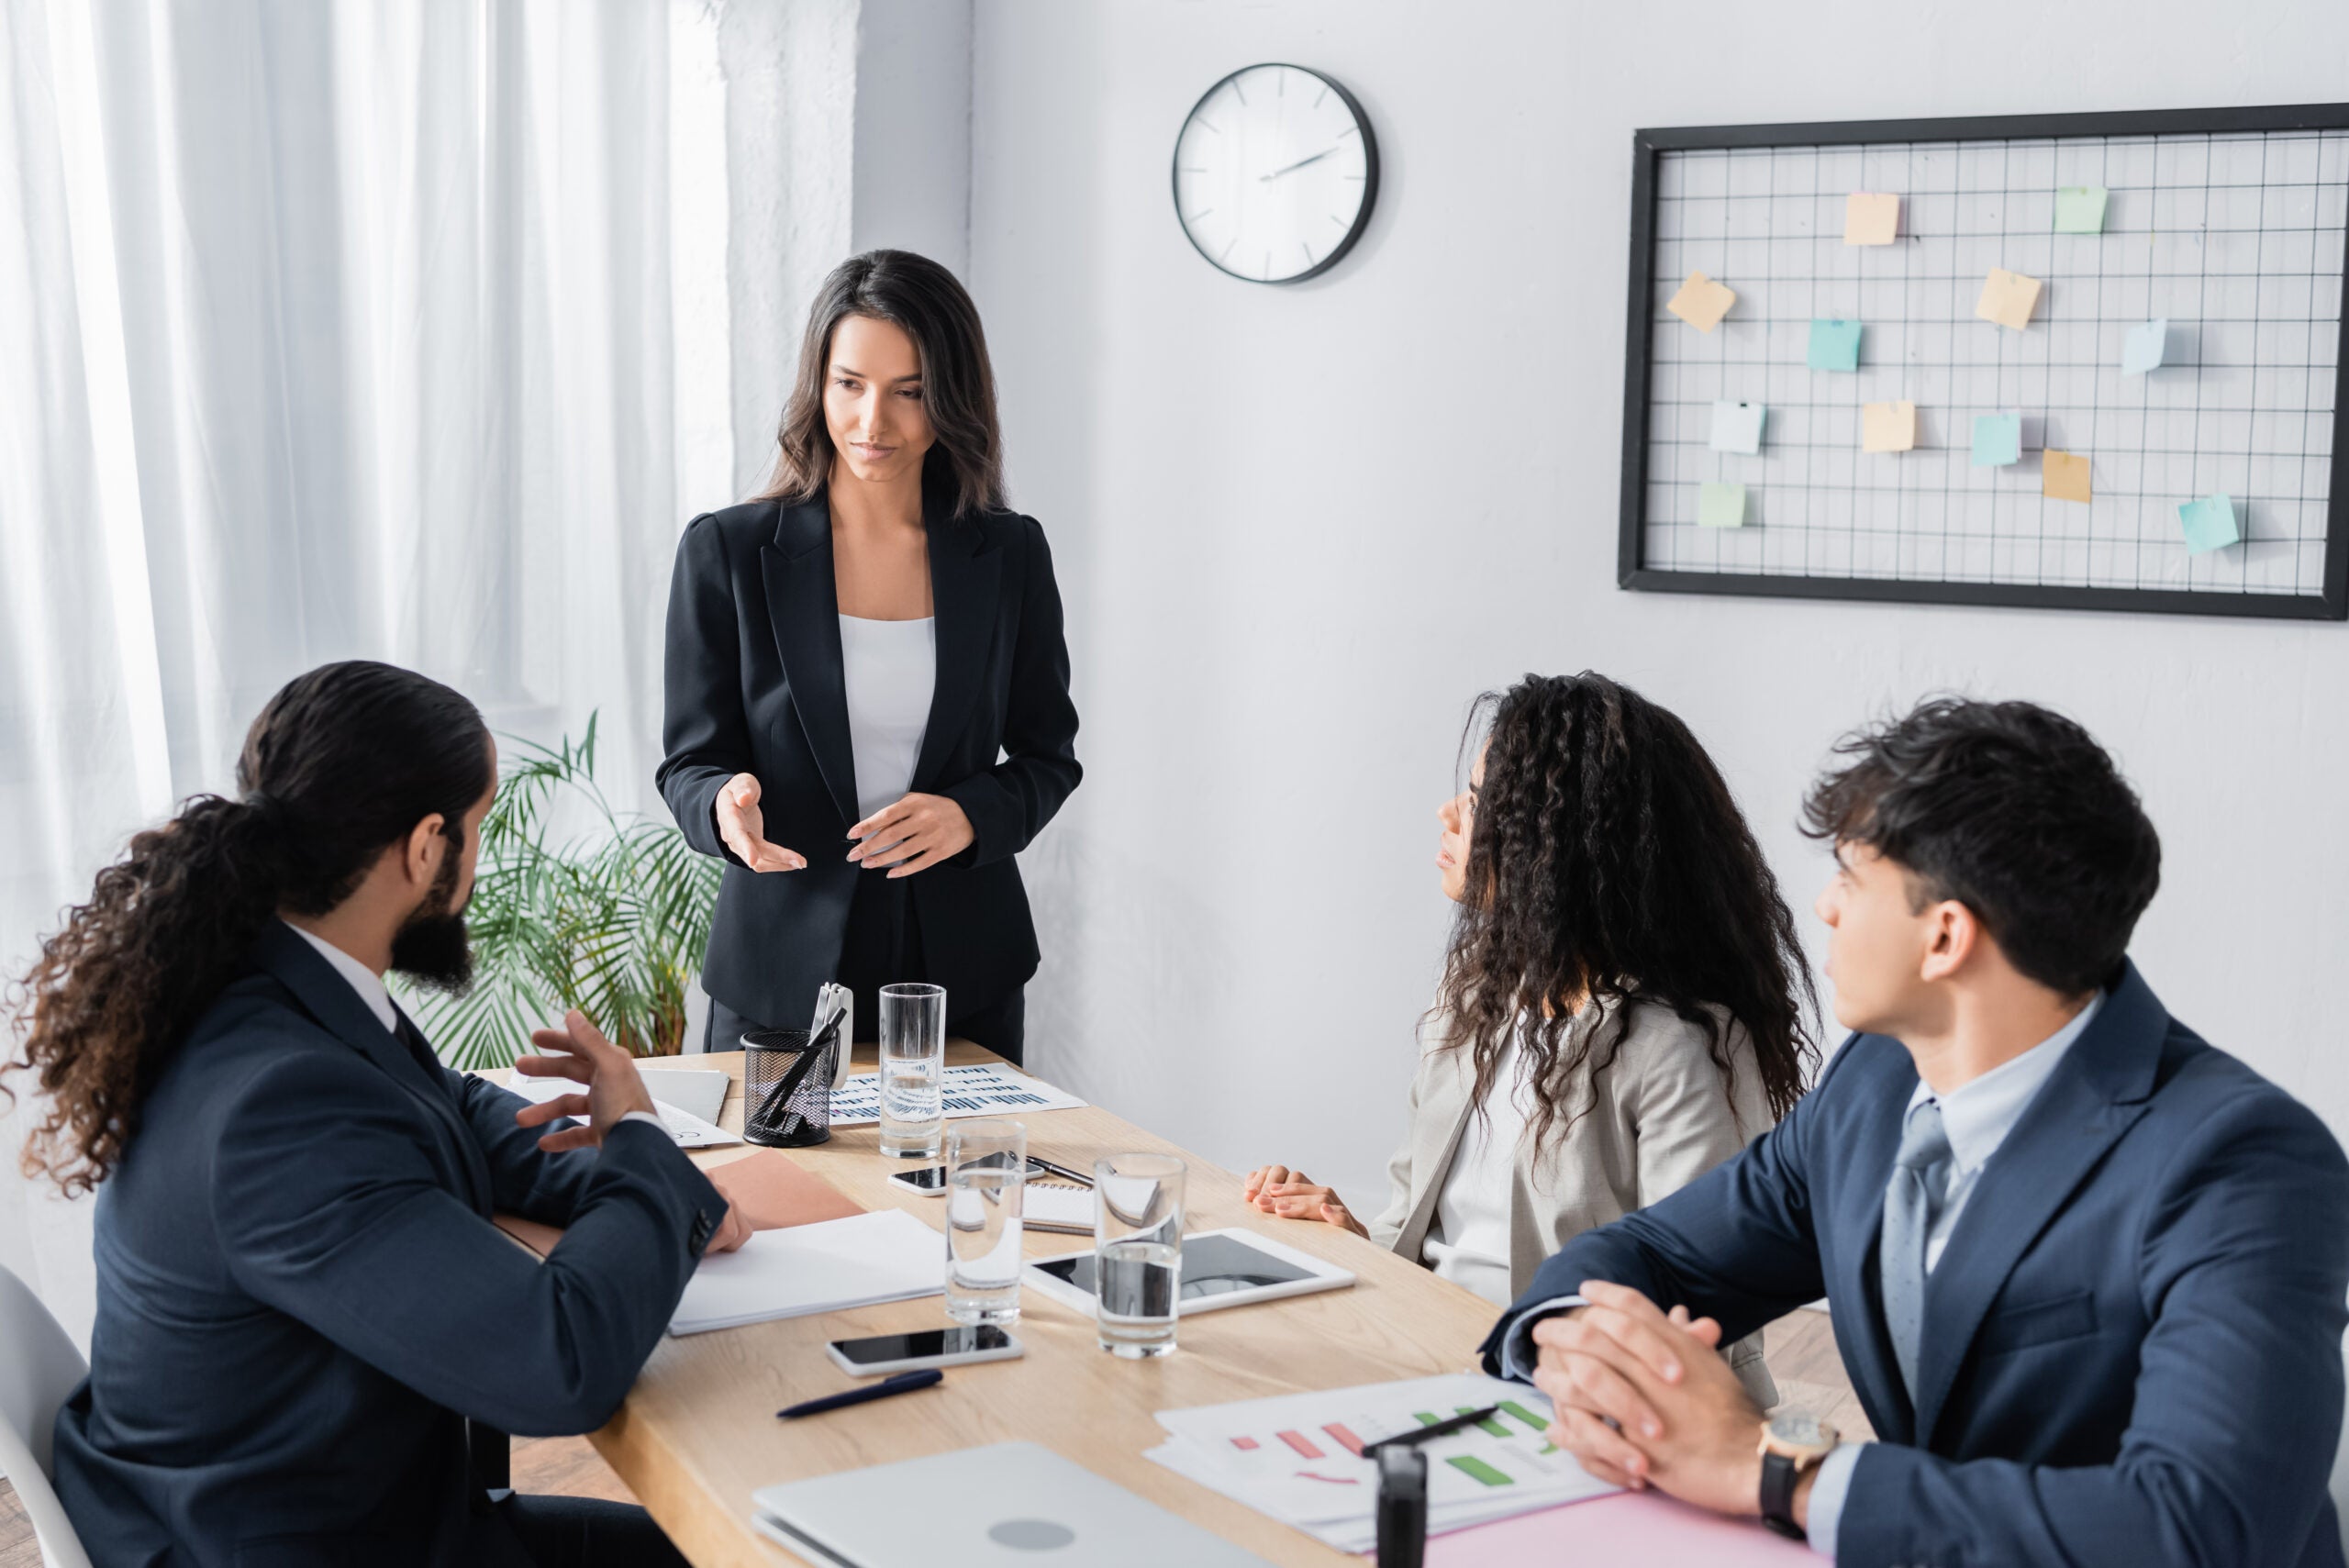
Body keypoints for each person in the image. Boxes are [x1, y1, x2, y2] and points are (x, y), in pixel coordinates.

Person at [1486, 697, 2349, 1566]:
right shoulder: (1874, 1078)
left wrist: (1775, 1466)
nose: (1823, 904)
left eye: (1852, 878)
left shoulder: (2243, 1161)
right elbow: (1657, 1254)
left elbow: (2199, 1526)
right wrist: (1574, 1343)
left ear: (1944, 937)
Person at [18, 662, 750, 1567]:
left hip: (313, 1510)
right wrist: (640, 1143)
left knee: (738, 1543)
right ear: (425, 844)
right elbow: (556, 1366)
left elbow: (449, 1107)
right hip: (287, 1544)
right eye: (478, 830)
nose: (476, 863)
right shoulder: (278, 1108)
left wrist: (664, 1196)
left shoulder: (275, 986)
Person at [1243, 673, 1819, 1406]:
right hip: (1437, 1358)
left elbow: (1702, 1306)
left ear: (1557, 843)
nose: (1450, 814)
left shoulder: (1676, 1043)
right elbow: (1422, 1228)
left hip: (1593, 1401)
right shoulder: (1478, 989)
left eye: (1481, 801)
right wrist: (1350, 1236)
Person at [660, 249, 1079, 1066]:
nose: (872, 422)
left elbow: (1048, 756)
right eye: (849, 384)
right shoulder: (729, 551)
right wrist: (722, 806)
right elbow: (688, 762)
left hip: (963, 968)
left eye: (909, 391)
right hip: (777, 969)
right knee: (772, 1194)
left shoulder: (1010, 554)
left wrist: (970, 815)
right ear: (818, 384)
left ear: (952, 396)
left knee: (953, 1191)